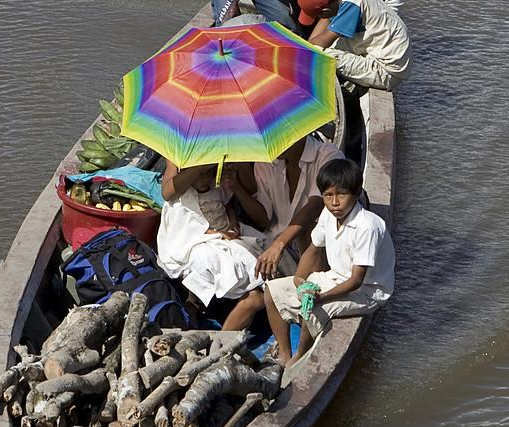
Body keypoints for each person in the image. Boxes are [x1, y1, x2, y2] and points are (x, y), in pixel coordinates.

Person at [228, 157, 393, 363]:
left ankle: (299, 356)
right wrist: (299, 279)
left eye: (341, 195)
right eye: (328, 195)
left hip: (366, 291)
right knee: (272, 290)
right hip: (336, 277)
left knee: (311, 310)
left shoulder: (367, 227)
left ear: (357, 193)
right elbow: (314, 249)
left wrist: (320, 297)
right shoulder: (328, 214)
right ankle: (285, 353)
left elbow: (356, 280)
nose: (334, 203)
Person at [156, 160, 270, 310]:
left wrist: (233, 222)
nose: (205, 178)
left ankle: (250, 289)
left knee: (251, 249)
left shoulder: (215, 188)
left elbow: (227, 204)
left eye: (208, 173)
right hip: (197, 237)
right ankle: (196, 301)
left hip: (223, 228)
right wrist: (218, 234)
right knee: (210, 258)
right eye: (201, 174)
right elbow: (186, 227)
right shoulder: (184, 197)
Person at [241, 130, 341, 276]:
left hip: (317, 248)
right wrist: (235, 186)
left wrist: (280, 243)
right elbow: (263, 218)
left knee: (308, 230)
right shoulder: (264, 163)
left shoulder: (327, 154)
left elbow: (317, 203)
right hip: (274, 246)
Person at [295, 0, 408, 92]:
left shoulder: (353, 4)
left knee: (318, 54)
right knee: (316, 49)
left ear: (325, 10)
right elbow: (318, 34)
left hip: (386, 72)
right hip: (380, 54)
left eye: (318, 16)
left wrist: (296, 51)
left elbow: (318, 45)